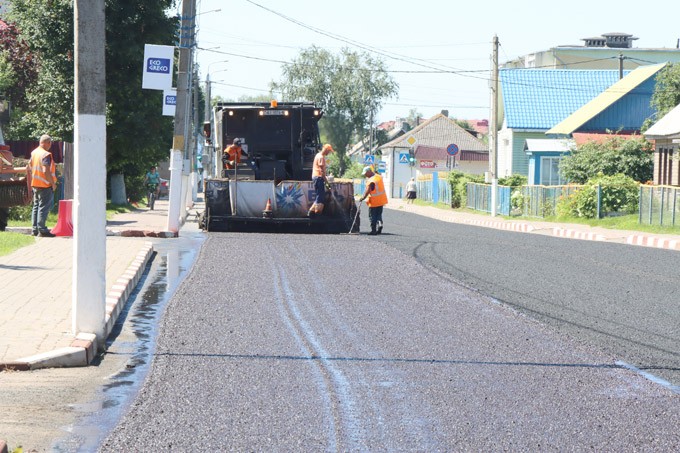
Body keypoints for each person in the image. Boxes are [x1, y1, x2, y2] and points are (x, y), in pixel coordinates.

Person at [28, 134, 57, 237]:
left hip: (35, 184)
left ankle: (34, 230)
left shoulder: (34, 153)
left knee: (36, 207)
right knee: (43, 208)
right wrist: (52, 183)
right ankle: (42, 230)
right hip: (45, 185)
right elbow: (45, 170)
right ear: (47, 143)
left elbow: (30, 166)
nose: (50, 146)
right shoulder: (45, 154)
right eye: (50, 143)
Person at [359, 166, 388, 235]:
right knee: (378, 215)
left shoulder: (371, 180)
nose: (365, 175)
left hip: (374, 201)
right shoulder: (379, 177)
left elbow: (368, 190)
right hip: (381, 200)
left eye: (366, 173)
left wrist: (362, 198)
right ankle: (380, 224)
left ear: (369, 171)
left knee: (372, 216)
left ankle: (373, 230)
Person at [308, 143, 334, 216]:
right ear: (326, 150)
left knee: (319, 195)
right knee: (320, 196)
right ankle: (317, 213)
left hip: (316, 177)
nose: (329, 153)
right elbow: (322, 172)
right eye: (329, 151)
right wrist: (327, 183)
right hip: (318, 177)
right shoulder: (321, 158)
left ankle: (311, 211)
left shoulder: (318, 155)